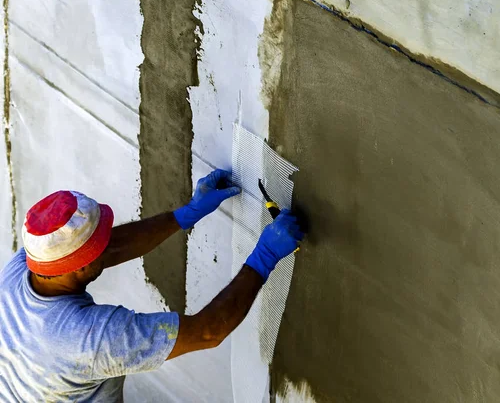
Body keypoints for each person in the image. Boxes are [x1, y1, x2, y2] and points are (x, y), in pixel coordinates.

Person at [0, 169, 303, 401]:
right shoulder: (90, 339)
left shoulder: (27, 264)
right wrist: (263, 257)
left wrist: (185, 215)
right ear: (78, 265)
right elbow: (207, 332)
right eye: (99, 247)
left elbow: (108, 249)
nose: (108, 246)